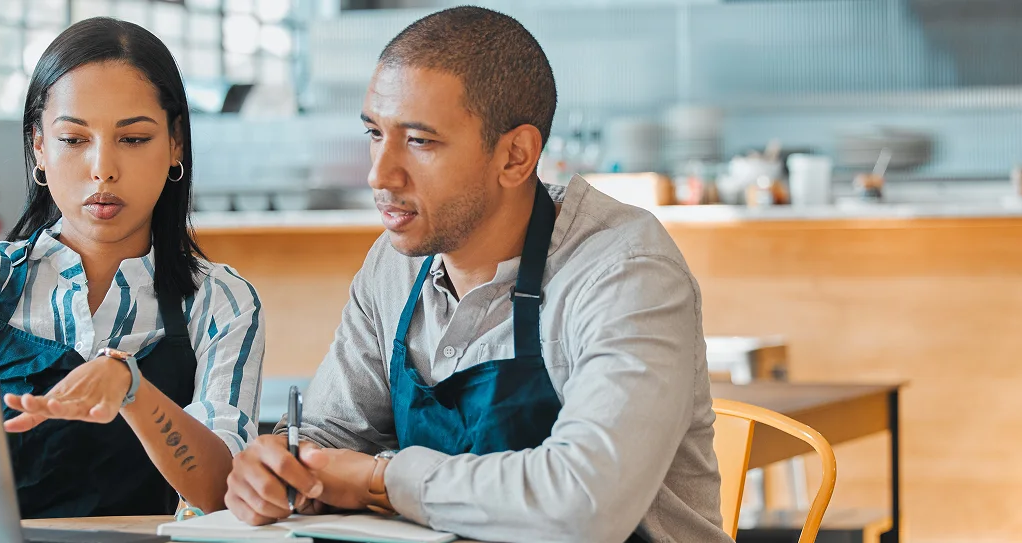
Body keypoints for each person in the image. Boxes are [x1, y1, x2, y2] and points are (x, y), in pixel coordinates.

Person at [224, 7, 729, 543]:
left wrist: (382, 478)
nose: (379, 173)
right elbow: (328, 439)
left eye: (419, 141)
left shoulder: (625, 272)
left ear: (515, 156)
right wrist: (279, 467)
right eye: (375, 133)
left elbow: (584, 503)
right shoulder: (393, 266)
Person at [0, 17, 263, 518]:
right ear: (38, 147)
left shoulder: (219, 302)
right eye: (74, 140)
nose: (103, 168)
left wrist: (132, 390)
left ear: (175, 142)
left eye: (133, 139)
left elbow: (223, 495)